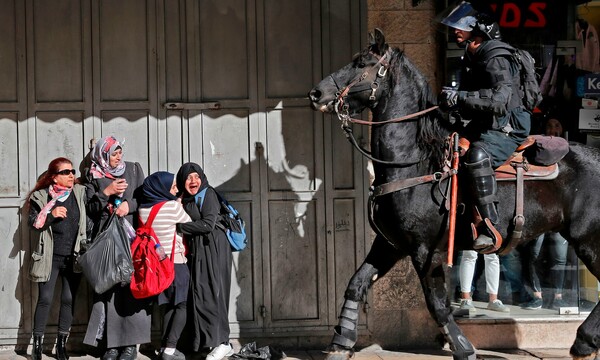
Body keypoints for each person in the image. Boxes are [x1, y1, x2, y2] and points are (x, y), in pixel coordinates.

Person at [438, 2, 531, 252]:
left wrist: (459, 98)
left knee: (478, 155)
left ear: (478, 31)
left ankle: (490, 227)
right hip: (487, 124)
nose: (456, 31)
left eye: (462, 27)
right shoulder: (472, 55)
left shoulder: (496, 57)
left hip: (508, 126)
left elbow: (499, 100)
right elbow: (474, 100)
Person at [82, 136, 148, 360]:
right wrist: (106, 192)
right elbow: (90, 208)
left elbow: (146, 198)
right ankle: (110, 345)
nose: (119, 156)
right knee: (108, 291)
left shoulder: (133, 169)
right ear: (103, 155)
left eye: (120, 152)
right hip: (106, 241)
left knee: (130, 289)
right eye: (114, 153)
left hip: (131, 240)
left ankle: (129, 346)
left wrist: (130, 205)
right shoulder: (94, 174)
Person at [27, 157, 89, 360]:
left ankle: (61, 345)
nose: (71, 175)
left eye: (72, 171)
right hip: (49, 257)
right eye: (65, 172)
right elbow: (33, 223)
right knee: (44, 299)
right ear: (54, 178)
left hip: (73, 256)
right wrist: (51, 214)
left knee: (68, 300)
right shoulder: (41, 197)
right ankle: (37, 345)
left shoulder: (79, 193)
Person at [175, 163, 234, 360]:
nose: (193, 181)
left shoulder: (208, 194)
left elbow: (208, 224)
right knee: (200, 296)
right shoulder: (186, 198)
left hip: (214, 249)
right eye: (188, 178)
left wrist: (180, 227)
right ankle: (204, 342)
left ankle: (224, 343)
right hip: (198, 250)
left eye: (196, 177)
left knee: (215, 295)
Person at [138, 172, 191, 360]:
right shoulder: (171, 207)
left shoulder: (143, 209)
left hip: (157, 266)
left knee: (168, 305)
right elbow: (189, 222)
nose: (177, 189)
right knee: (182, 305)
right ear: (162, 188)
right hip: (175, 263)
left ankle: (163, 347)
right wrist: (178, 204)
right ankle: (170, 349)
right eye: (173, 186)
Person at [522, 117, 569, 310]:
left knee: (559, 257)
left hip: (561, 213)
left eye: (557, 125)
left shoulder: (567, 151)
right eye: (549, 125)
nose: (553, 129)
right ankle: (537, 294)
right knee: (532, 254)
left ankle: (558, 296)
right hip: (541, 211)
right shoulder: (537, 151)